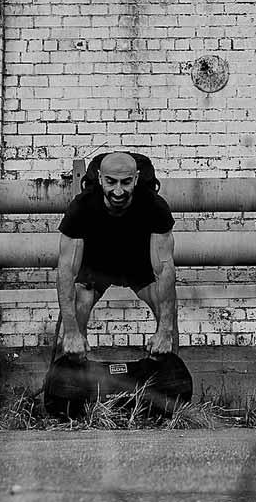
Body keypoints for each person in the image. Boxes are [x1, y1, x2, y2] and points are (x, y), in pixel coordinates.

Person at [57, 151, 178, 358]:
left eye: (126, 182)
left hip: (138, 264)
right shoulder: (81, 208)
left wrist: (165, 331)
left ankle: (169, 381)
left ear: (137, 179)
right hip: (96, 265)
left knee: (167, 317)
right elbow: (66, 271)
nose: (118, 191)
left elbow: (165, 269)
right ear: (101, 178)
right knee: (76, 312)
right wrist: (70, 331)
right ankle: (75, 383)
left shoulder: (155, 207)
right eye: (111, 182)